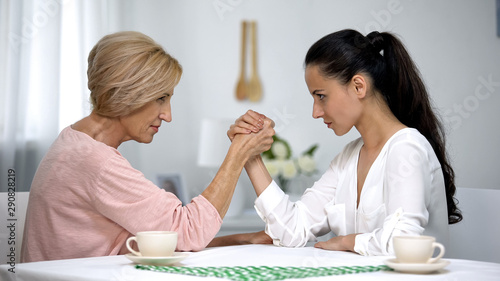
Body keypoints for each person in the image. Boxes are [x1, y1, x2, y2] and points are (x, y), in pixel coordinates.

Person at [21, 31, 274, 262]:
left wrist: (238, 239)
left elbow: (158, 242)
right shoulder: (96, 162)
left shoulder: (72, 142)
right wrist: (239, 153)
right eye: (161, 98)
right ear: (127, 93)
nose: (168, 115)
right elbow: (188, 231)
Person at [229, 29, 462, 256]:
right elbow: (292, 230)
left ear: (358, 86)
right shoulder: (348, 158)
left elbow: (403, 243)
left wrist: (349, 241)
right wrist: (249, 155)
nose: (315, 112)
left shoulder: (407, 148)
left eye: (321, 96)